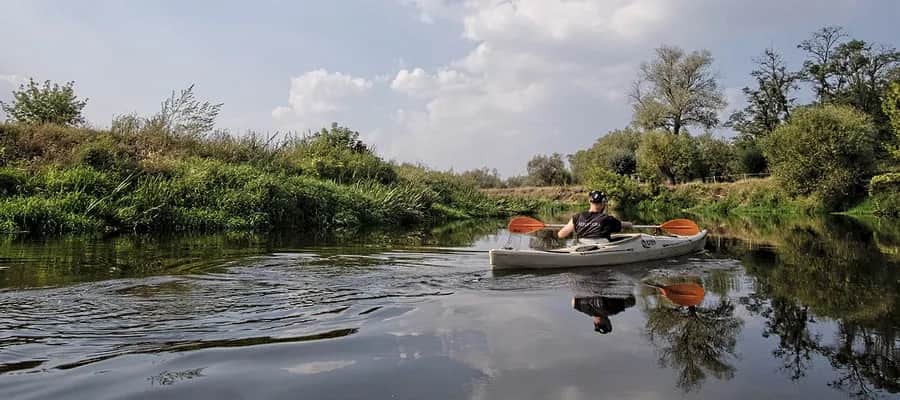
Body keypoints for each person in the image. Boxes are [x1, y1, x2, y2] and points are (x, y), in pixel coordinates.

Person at [557, 190, 632, 241]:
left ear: (590, 201)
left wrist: (579, 226)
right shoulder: (607, 219)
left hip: (582, 248)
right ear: (603, 203)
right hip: (602, 250)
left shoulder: (577, 217)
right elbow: (624, 225)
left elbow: (560, 234)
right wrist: (630, 224)